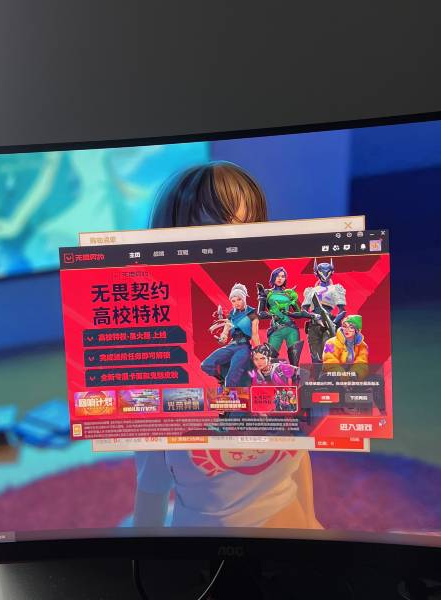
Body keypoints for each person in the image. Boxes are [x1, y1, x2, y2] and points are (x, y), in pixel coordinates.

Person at [134, 161, 321, 529]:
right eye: (209, 233)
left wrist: (313, 523)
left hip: (291, 531)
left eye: (248, 230)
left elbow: (299, 453)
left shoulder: (273, 335)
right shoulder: (158, 371)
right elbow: (151, 490)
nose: (230, 245)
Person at [200, 283, 260, 387]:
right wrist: (222, 338)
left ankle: (228, 389)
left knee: (232, 377)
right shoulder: (231, 315)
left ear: (244, 298)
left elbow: (255, 335)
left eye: (239, 299)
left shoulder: (252, 314)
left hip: (244, 347)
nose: (236, 303)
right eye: (233, 301)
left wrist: (258, 351)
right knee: (206, 365)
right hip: (231, 346)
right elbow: (224, 335)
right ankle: (221, 380)